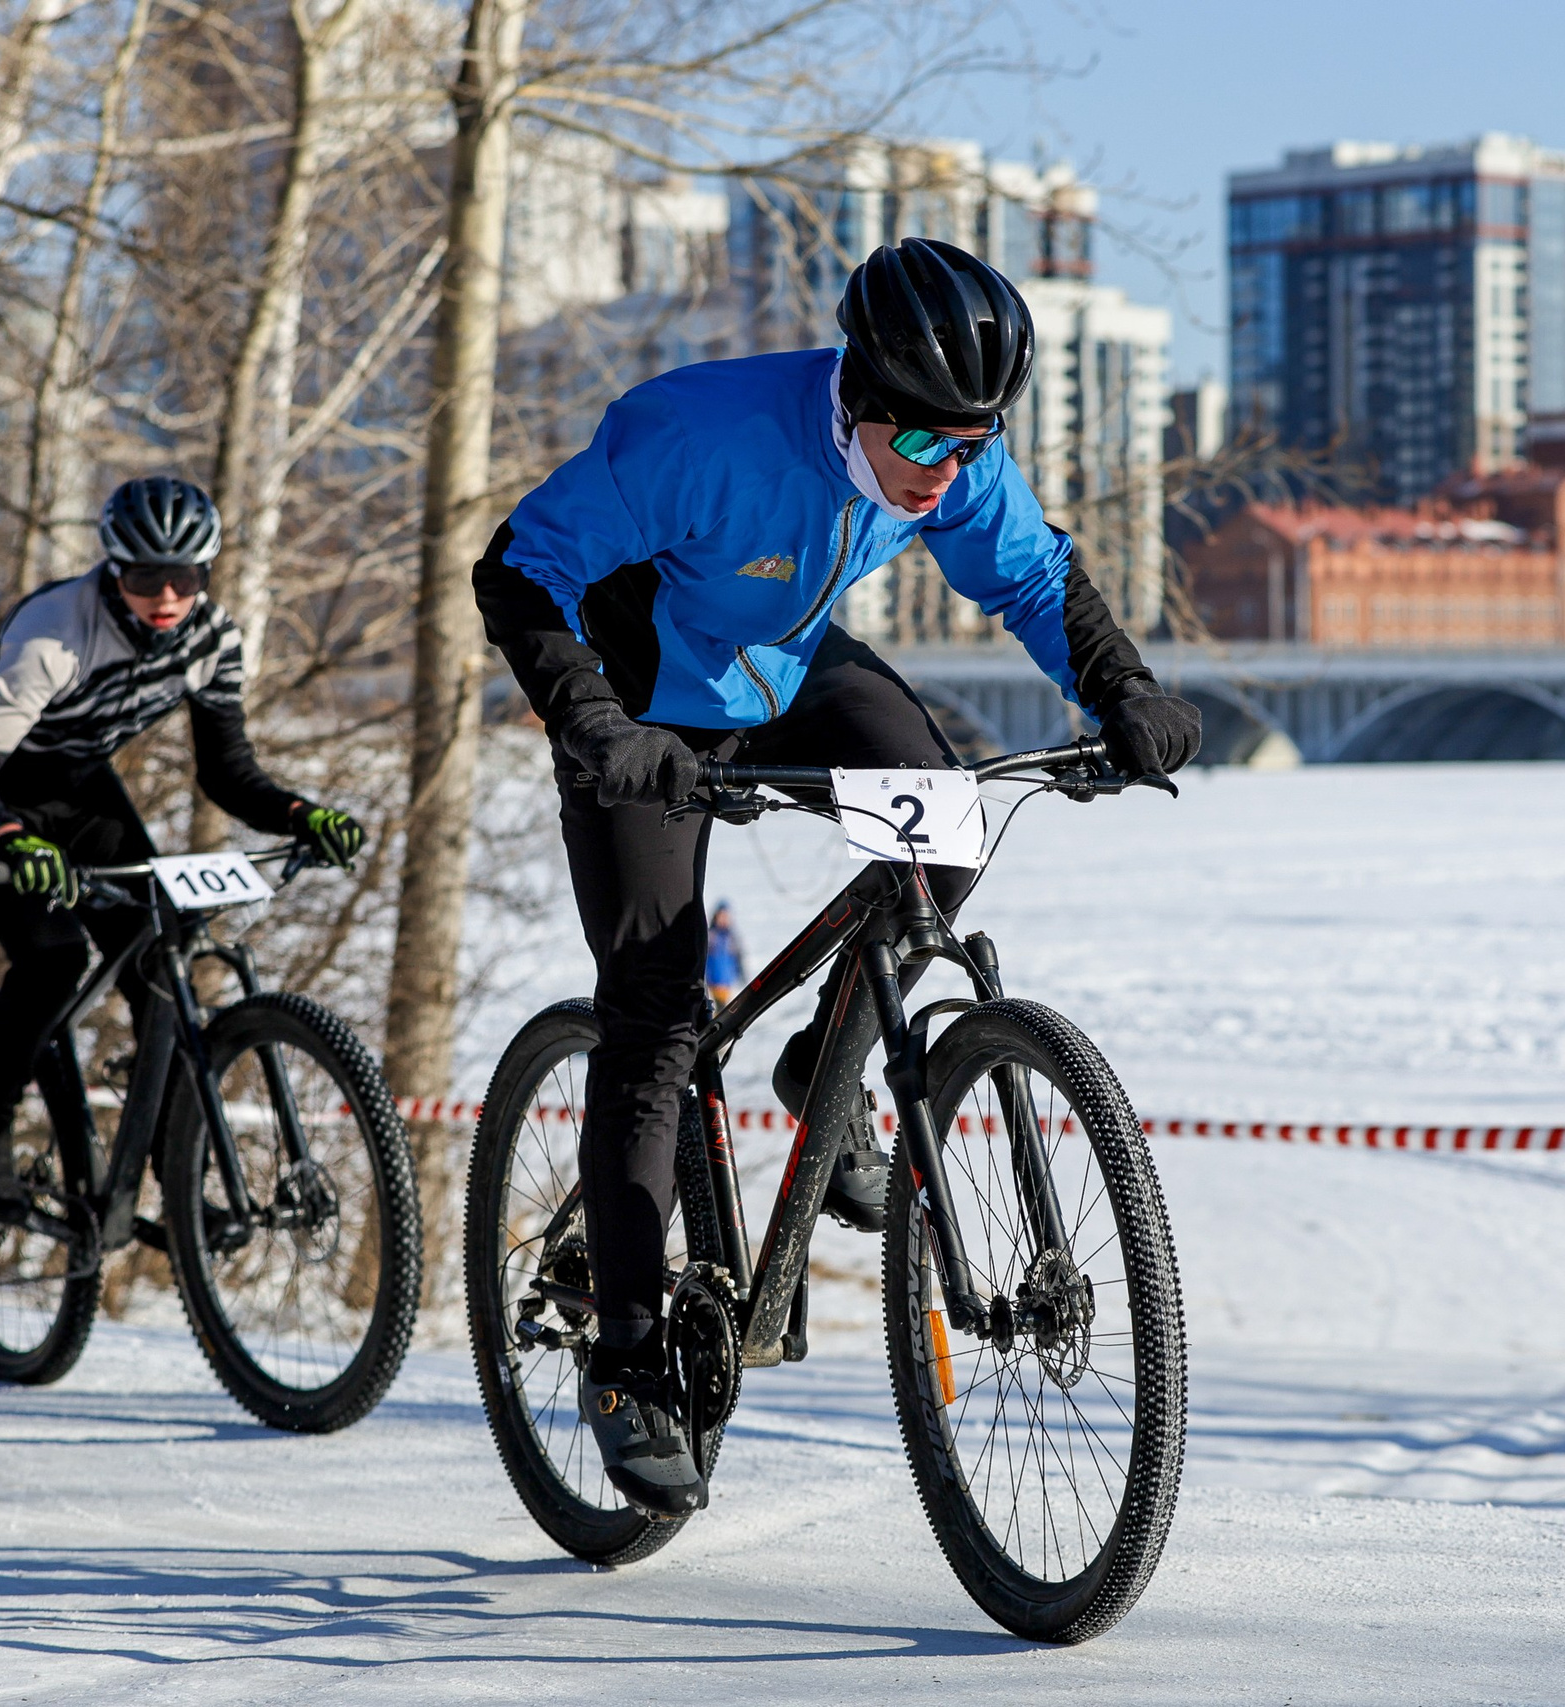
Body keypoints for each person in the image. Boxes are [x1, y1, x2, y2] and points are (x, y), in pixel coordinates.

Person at [476, 236, 1201, 1517]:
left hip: (782, 667)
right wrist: (593, 726)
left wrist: (1124, 691)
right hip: (642, 691)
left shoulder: (945, 455)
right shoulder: (697, 434)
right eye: (923, 445)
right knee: (652, 1012)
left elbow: (1033, 574)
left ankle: (827, 1063)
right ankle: (632, 1364)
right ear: (855, 398)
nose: (948, 471)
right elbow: (520, 568)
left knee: (946, 825)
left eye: (974, 444)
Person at [0, 476, 366, 1227]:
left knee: (160, 955)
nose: (166, 594)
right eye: (144, 576)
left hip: (79, 790)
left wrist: (298, 813)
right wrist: (5, 836)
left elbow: (226, 773)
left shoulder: (213, 639)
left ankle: (168, 1162)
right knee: (53, 957)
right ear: (113, 568)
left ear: (206, 572)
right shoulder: (54, 629)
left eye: (185, 576)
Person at [703, 901, 747, 1007]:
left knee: (723, 1009)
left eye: (726, 916)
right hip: (711, 982)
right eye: (721, 916)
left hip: (726, 982)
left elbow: (738, 958)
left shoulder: (731, 938)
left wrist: (741, 975)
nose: (723, 919)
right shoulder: (710, 936)